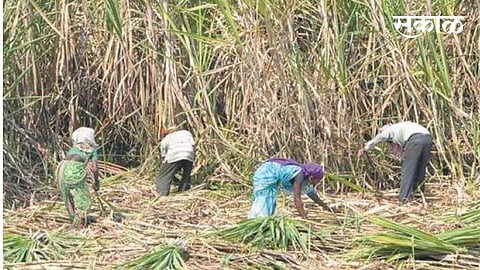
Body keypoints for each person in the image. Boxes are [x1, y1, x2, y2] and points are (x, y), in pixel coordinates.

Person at [358, 121, 432, 204]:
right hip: (428, 138)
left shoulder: (389, 130)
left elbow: (380, 137)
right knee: (420, 169)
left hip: (415, 139)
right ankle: (419, 196)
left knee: (408, 170)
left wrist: (365, 148)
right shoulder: (402, 126)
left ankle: (404, 199)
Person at [248, 157, 333, 219]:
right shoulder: (299, 175)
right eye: (318, 180)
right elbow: (297, 199)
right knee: (264, 198)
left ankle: (263, 220)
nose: (318, 183)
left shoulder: (306, 178)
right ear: (311, 178)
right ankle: (257, 220)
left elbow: (313, 195)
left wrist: (327, 208)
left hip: (271, 173)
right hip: (267, 173)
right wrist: (305, 219)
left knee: (270, 200)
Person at [56, 127, 100, 225]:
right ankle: (79, 224)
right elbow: (95, 169)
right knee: (84, 201)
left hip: (60, 170)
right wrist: (96, 183)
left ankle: (74, 220)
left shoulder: (74, 148)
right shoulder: (91, 149)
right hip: (73, 173)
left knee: (67, 197)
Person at [156, 127, 195, 196]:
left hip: (175, 154)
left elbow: (164, 157)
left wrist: (164, 166)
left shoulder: (166, 139)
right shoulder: (186, 133)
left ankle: (162, 193)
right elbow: (193, 144)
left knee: (164, 175)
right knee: (186, 175)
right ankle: (183, 192)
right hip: (189, 153)